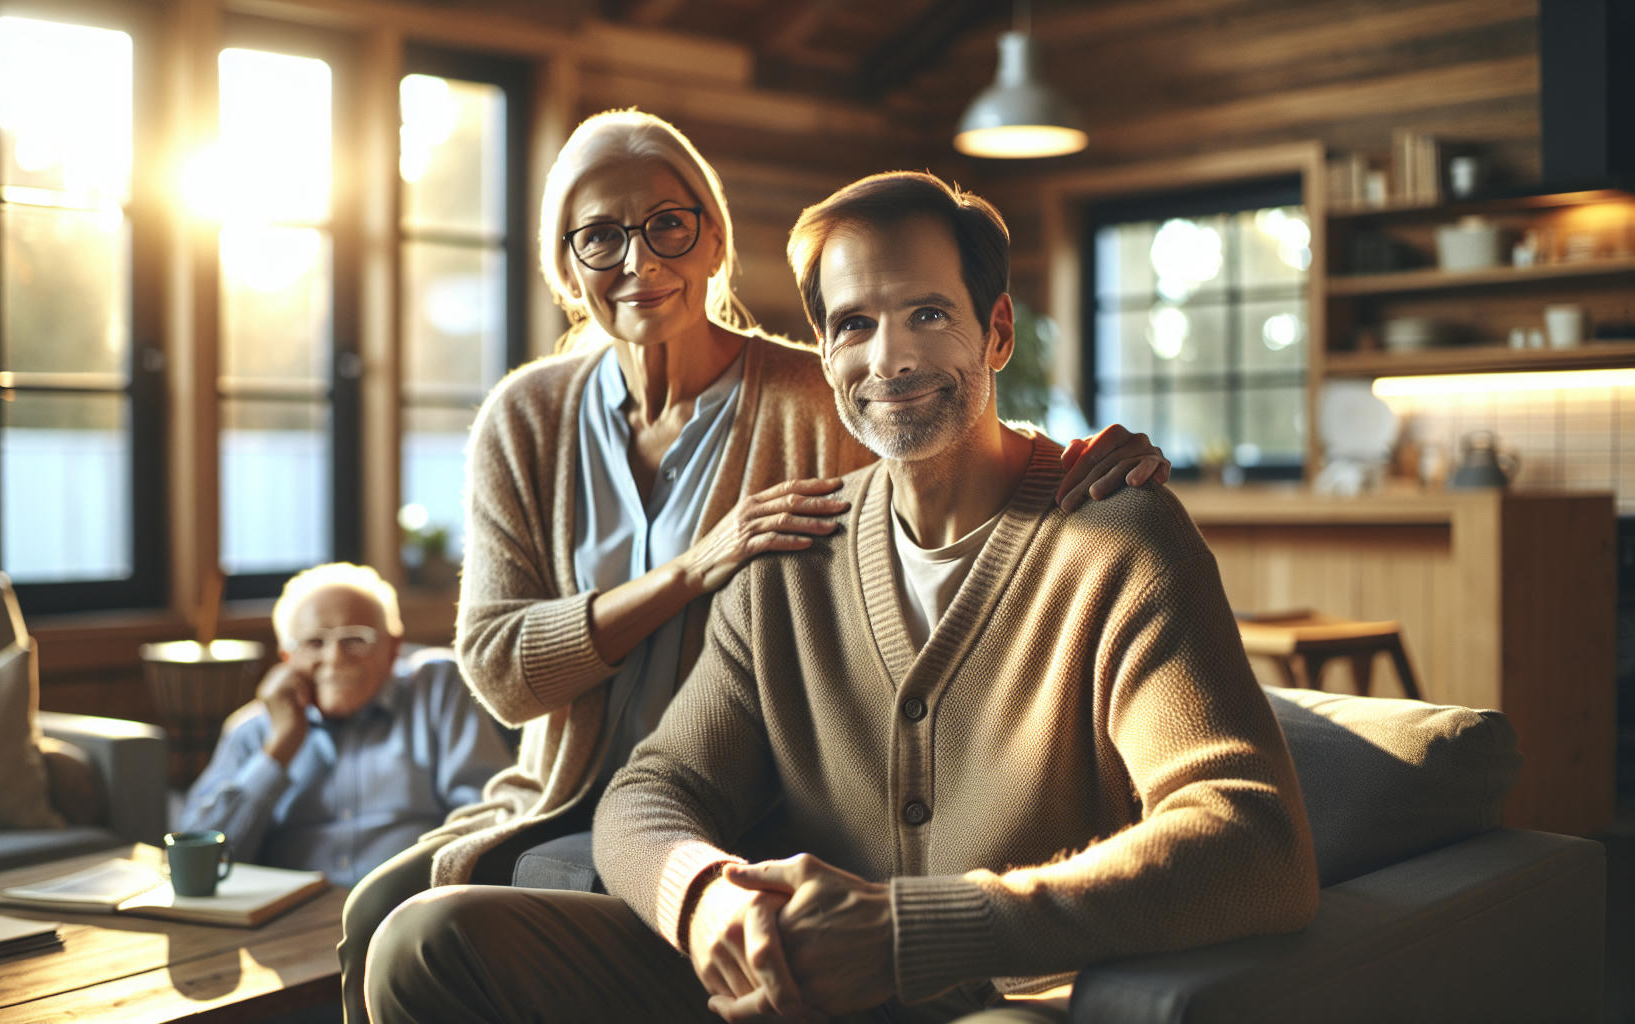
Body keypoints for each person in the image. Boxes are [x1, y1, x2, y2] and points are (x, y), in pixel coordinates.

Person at [363, 171, 1318, 1024]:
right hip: (787, 978)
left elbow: (1252, 838)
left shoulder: (1120, 539)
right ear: (823, 354)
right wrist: (707, 905)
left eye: (929, 315)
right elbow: (654, 790)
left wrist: (917, 931)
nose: (890, 358)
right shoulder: (792, 553)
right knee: (423, 942)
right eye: (854, 324)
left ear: (996, 331)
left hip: (999, 994)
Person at [178, 563, 515, 887]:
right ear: (286, 658)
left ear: (392, 646)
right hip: (287, 922)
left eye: (355, 639)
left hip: (411, 910)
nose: (335, 658)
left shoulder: (437, 691)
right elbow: (199, 861)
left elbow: (487, 816)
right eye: (314, 643)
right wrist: (279, 749)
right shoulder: (252, 731)